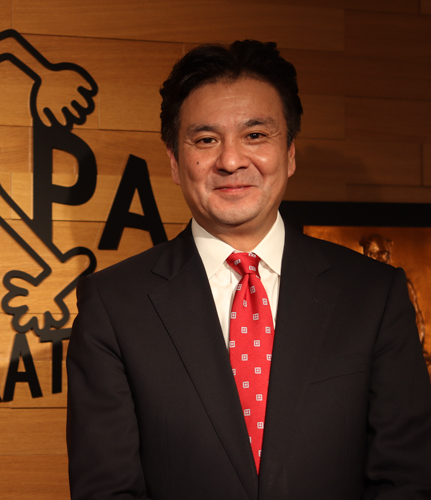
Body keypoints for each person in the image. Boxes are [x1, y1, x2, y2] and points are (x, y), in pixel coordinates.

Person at [66, 40, 431, 500]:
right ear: (175, 162)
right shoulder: (113, 306)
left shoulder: (373, 295)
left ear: (290, 153)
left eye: (255, 135)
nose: (231, 160)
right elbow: (106, 490)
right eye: (206, 140)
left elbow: (407, 478)